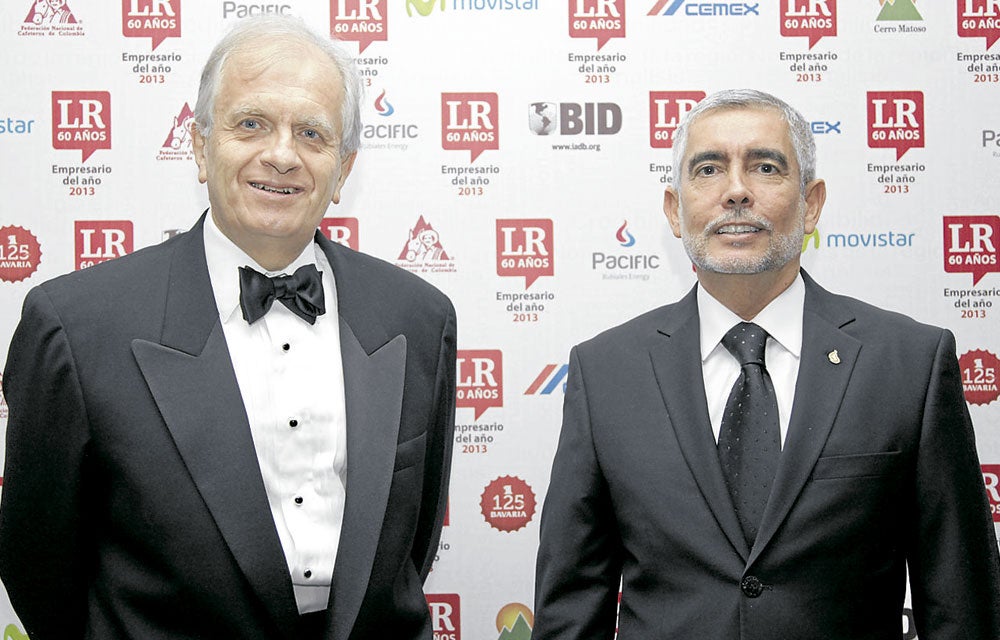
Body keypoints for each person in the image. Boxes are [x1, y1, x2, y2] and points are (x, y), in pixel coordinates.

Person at [0, 15, 456, 640]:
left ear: (344, 169)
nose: (282, 155)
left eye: (312, 133)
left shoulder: (418, 317)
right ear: (199, 146)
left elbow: (414, 540)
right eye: (251, 124)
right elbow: (39, 562)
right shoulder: (76, 327)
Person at [532, 89, 1000, 639]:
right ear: (674, 211)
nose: (736, 191)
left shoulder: (909, 363)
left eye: (766, 167)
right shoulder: (605, 372)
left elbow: (963, 608)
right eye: (708, 169)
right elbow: (571, 609)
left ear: (811, 204)